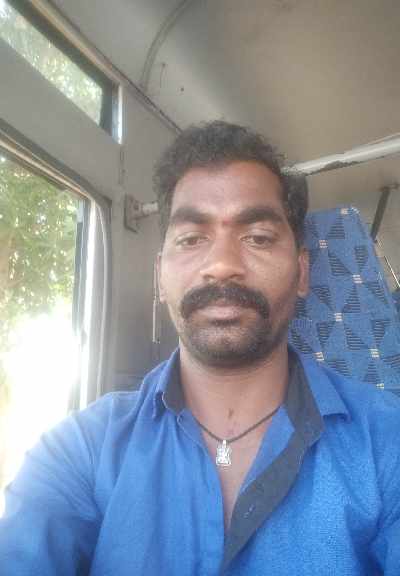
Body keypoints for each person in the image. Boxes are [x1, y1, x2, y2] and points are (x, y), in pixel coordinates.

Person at [1, 121, 399, 575]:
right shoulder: (80, 451)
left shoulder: (387, 441)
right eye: (191, 239)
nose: (222, 265)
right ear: (159, 276)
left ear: (302, 272)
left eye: (258, 237)